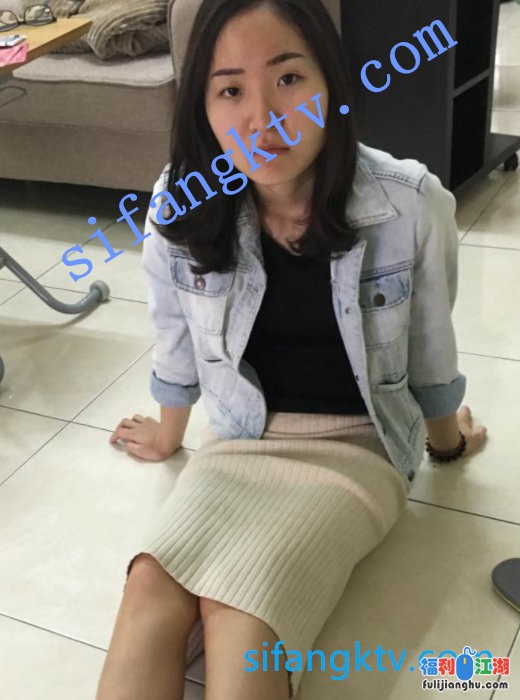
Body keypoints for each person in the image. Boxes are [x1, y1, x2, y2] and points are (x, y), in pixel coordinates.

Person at [97, 1, 487, 698]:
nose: (263, 118)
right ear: (203, 107)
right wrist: (169, 431)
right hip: (238, 440)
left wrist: (446, 442)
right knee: (150, 583)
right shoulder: (180, 203)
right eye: (230, 90)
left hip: (357, 451)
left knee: (240, 614)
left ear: (330, 82)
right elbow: (175, 334)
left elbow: (430, 348)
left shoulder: (410, 203)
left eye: (288, 79)